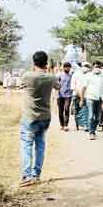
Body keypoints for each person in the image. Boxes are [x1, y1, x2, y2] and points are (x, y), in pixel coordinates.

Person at [19, 51, 58, 187]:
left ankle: (27, 175)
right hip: (45, 117)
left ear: (33, 62)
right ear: (46, 63)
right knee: (40, 146)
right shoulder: (51, 78)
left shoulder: (27, 76)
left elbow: (22, 85)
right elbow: (58, 86)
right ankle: (37, 175)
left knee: (27, 145)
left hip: (30, 117)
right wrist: (50, 71)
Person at [84, 61, 103, 140]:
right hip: (90, 98)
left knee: (98, 118)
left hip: (100, 98)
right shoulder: (88, 76)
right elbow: (83, 87)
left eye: (98, 67)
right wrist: (81, 99)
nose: (97, 68)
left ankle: (93, 129)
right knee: (91, 116)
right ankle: (91, 132)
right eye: (95, 67)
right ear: (93, 67)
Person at [71, 63, 89, 131]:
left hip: (85, 95)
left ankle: (85, 125)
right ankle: (77, 125)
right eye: (85, 66)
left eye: (87, 66)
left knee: (85, 110)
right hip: (76, 94)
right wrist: (79, 94)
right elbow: (73, 86)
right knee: (77, 110)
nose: (86, 68)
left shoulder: (88, 74)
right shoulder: (75, 74)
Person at [56, 62, 73, 131]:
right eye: (66, 67)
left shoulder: (71, 76)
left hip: (68, 95)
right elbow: (56, 84)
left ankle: (66, 125)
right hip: (60, 95)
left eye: (68, 67)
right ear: (64, 68)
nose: (67, 68)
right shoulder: (59, 75)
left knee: (66, 109)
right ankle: (61, 125)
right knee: (60, 111)